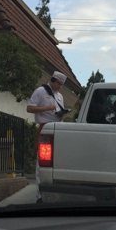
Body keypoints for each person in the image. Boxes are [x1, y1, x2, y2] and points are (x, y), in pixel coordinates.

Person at [27, 70, 67, 203]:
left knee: (56, 162)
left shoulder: (60, 96)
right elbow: (30, 108)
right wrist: (46, 108)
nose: (60, 87)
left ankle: (52, 192)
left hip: (57, 128)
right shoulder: (40, 91)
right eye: (59, 84)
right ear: (53, 81)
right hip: (45, 127)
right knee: (42, 163)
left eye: (62, 85)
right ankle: (40, 195)